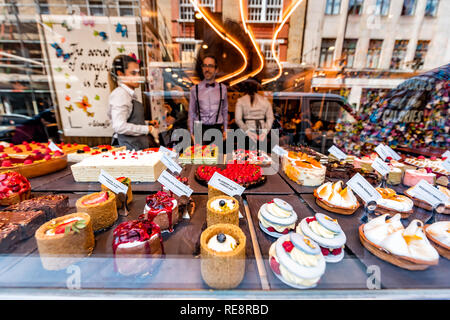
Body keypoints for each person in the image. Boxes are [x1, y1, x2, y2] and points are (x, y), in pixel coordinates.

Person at [107, 54, 158, 150]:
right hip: (127, 149)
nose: (138, 77)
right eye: (133, 73)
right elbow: (119, 126)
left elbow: (129, 119)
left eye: (139, 73)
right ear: (120, 74)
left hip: (135, 147)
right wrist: (147, 129)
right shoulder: (120, 95)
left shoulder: (128, 94)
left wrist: (147, 123)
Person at [188, 55, 228, 144]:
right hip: (199, 129)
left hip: (217, 128)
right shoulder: (195, 89)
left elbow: (224, 111)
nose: (207, 69)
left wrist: (225, 130)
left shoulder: (223, 88)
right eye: (205, 66)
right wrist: (191, 132)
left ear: (216, 69)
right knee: (200, 157)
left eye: (210, 66)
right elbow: (191, 112)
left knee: (216, 157)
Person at [235, 78, 274, 150]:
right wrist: (265, 132)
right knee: (261, 158)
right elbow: (270, 118)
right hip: (261, 132)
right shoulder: (265, 100)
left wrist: (247, 132)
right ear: (257, 87)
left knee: (245, 157)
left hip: (246, 132)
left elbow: (238, 119)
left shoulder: (240, 100)